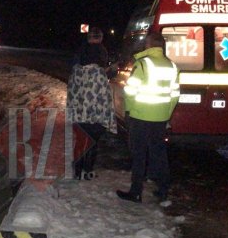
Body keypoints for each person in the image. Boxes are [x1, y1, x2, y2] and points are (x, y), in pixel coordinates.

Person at [116, 31, 180, 207]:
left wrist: (129, 110)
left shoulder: (143, 64)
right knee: (159, 153)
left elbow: (130, 91)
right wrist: (166, 114)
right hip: (160, 118)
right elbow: (175, 95)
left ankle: (136, 192)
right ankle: (163, 189)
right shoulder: (172, 66)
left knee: (139, 154)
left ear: (148, 45)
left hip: (140, 116)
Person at [67, 27, 117, 180]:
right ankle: (87, 171)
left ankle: (77, 171)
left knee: (81, 140)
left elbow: (71, 91)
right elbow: (106, 97)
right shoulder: (100, 72)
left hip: (79, 112)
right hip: (96, 113)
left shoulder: (76, 68)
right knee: (93, 142)